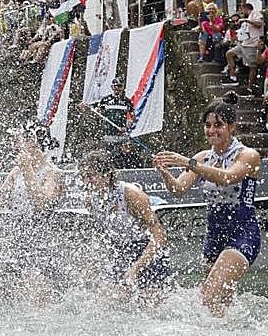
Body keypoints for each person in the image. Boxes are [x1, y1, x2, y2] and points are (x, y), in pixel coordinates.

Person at [153, 98, 262, 316]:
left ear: (232, 127)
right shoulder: (202, 158)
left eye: (218, 125)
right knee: (222, 301)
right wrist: (164, 172)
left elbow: (227, 177)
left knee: (208, 296)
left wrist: (189, 163)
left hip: (242, 234)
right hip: (213, 236)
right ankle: (232, 332)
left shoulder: (248, 155)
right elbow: (178, 189)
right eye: (208, 125)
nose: (211, 131)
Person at [78, 150, 171, 301]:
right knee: (111, 299)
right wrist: (89, 265)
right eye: (83, 176)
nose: (86, 181)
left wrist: (135, 269)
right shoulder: (90, 200)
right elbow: (102, 235)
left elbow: (160, 237)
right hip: (120, 250)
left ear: (107, 174)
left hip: (147, 251)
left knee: (149, 302)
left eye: (91, 176)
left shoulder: (131, 194)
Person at [0, 122, 64, 296]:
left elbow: (41, 204)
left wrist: (27, 169)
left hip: (42, 236)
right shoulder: (16, 171)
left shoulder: (53, 173)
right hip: (18, 234)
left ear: (34, 144)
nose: (15, 147)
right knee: (17, 291)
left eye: (18, 142)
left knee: (38, 292)